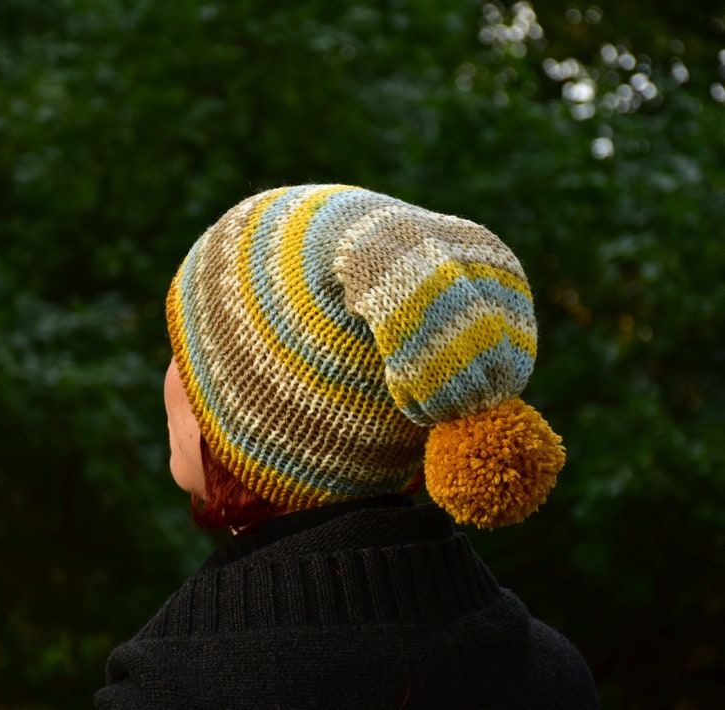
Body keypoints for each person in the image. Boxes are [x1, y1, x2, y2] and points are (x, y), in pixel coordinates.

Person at [94, 184, 599, 709]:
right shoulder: (553, 671)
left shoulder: (169, 694)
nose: (170, 378)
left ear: (262, 419)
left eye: (184, 351)